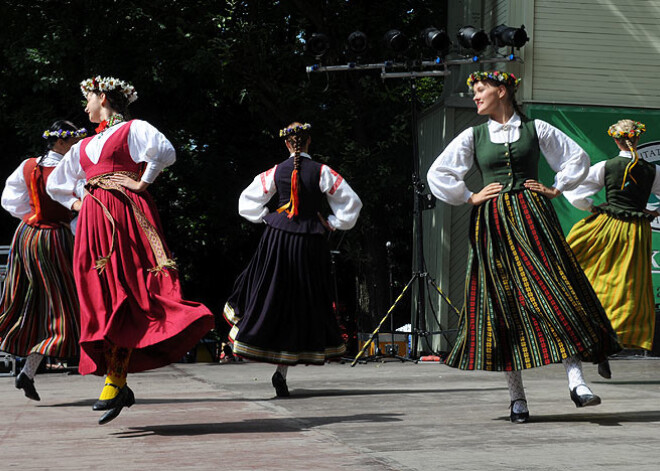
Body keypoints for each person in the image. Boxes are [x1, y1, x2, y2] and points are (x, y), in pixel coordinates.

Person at [426, 71, 621, 423]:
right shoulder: (474, 136)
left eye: (480, 90)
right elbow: (438, 174)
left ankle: (576, 382)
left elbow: (575, 159)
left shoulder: (537, 129)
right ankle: (517, 399)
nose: (475, 97)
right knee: (502, 307)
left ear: (502, 91)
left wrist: (557, 187)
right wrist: (469, 195)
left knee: (555, 291)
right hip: (493, 224)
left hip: (533, 217)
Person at [46, 76, 214, 424]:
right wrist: (79, 203)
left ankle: (116, 379)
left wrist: (141, 182)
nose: (85, 106)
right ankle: (117, 379)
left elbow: (165, 152)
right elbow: (55, 184)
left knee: (125, 290)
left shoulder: (133, 129)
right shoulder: (84, 145)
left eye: (89, 99)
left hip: (125, 216)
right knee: (99, 295)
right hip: (95, 220)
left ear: (103, 98)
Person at [223, 122, 362, 397]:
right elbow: (352, 203)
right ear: (309, 141)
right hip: (309, 242)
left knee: (275, 297)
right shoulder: (322, 171)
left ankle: (278, 370)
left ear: (287, 144)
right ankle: (282, 372)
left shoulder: (276, 171)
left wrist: (268, 218)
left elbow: (246, 202)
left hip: (277, 242)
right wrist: (331, 223)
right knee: (302, 303)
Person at [564, 120, 660, 378]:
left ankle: (598, 344)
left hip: (606, 228)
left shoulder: (606, 166)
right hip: (635, 233)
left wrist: (591, 207)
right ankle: (610, 344)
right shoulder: (652, 170)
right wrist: (651, 210)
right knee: (625, 290)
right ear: (637, 139)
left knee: (593, 279)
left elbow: (576, 194)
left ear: (616, 140)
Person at [0, 120, 86, 401]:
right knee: (64, 307)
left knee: (29, 300)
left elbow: (10, 201)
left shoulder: (29, 165)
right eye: (72, 141)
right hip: (54, 240)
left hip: (25, 236)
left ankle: (28, 371)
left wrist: (33, 215)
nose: (75, 146)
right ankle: (29, 370)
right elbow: (81, 205)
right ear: (60, 143)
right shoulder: (70, 169)